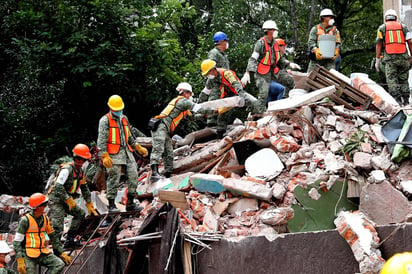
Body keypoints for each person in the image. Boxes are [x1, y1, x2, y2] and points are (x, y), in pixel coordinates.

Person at [149, 82, 215, 182]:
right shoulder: (183, 101)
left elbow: (192, 117)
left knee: (169, 152)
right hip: (161, 126)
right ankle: (154, 174)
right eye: (189, 94)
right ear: (184, 93)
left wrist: (203, 115)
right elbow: (198, 109)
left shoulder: (182, 105)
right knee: (158, 148)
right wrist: (214, 111)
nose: (190, 96)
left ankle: (168, 174)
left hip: (165, 129)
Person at [97, 95, 148, 212]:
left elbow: (129, 136)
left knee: (134, 176)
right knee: (114, 178)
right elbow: (101, 140)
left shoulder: (124, 118)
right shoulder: (105, 121)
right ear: (110, 108)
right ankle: (111, 205)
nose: (118, 111)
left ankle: (130, 203)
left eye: (120, 109)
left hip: (127, 153)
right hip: (113, 154)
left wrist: (138, 147)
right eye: (116, 110)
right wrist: (104, 155)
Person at [47, 143, 97, 249]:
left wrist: (89, 203)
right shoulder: (66, 170)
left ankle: (69, 239)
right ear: (78, 159)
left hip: (66, 199)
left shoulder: (80, 171)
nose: (84, 163)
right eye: (83, 160)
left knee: (80, 214)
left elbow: (84, 188)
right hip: (56, 199)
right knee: (58, 224)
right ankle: (56, 247)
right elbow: (57, 187)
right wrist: (68, 199)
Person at [241, 20, 295, 113]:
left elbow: (280, 59)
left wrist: (289, 63)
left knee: (290, 81)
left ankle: (283, 103)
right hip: (261, 73)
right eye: (274, 30)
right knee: (264, 95)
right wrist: (247, 72)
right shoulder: (260, 44)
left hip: (273, 70)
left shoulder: (275, 44)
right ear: (269, 31)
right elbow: (253, 58)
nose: (276, 32)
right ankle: (259, 113)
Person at [13, 193, 71, 274]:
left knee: (59, 264)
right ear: (37, 207)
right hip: (28, 255)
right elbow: (17, 242)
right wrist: (20, 260)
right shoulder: (25, 220)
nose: (45, 206)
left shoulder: (45, 219)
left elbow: (53, 238)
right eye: (44, 205)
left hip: (42, 252)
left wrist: (61, 252)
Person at [201, 59, 257, 137]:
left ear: (213, 69)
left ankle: (260, 119)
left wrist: (241, 94)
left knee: (253, 102)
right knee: (223, 113)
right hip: (227, 95)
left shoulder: (226, 73)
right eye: (206, 74)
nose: (207, 75)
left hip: (237, 92)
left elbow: (236, 84)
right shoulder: (211, 80)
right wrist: (197, 105)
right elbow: (205, 92)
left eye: (208, 73)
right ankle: (220, 133)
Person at [375, 9, 412, 105]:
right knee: (404, 79)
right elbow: (410, 42)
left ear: (385, 18)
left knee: (392, 79)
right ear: (396, 18)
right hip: (403, 58)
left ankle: (397, 101)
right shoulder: (404, 27)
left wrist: (378, 59)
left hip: (390, 59)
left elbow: (379, 44)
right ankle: (406, 100)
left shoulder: (382, 28)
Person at [199, 31, 230, 107]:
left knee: (222, 111)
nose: (227, 43)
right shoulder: (214, 53)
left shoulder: (223, 55)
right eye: (226, 41)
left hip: (224, 85)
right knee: (213, 109)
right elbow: (211, 69)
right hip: (216, 86)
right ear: (222, 41)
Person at [307, 8, 341, 73]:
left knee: (331, 77)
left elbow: (338, 43)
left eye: (332, 17)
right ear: (323, 18)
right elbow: (311, 42)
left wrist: (337, 50)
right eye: (329, 17)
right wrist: (315, 49)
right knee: (310, 76)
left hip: (329, 60)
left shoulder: (335, 31)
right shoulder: (315, 29)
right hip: (317, 58)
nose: (331, 18)